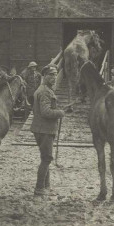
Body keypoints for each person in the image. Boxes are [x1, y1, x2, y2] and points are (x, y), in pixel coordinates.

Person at [30, 64, 66, 196]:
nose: (54, 77)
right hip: (44, 129)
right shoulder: (45, 91)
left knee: (46, 157)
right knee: (46, 158)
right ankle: (39, 188)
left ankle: (46, 186)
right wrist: (60, 112)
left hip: (42, 128)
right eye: (51, 74)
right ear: (44, 76)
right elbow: (45, 112)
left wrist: (60, 110)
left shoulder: (45, 89)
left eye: (55, 74)